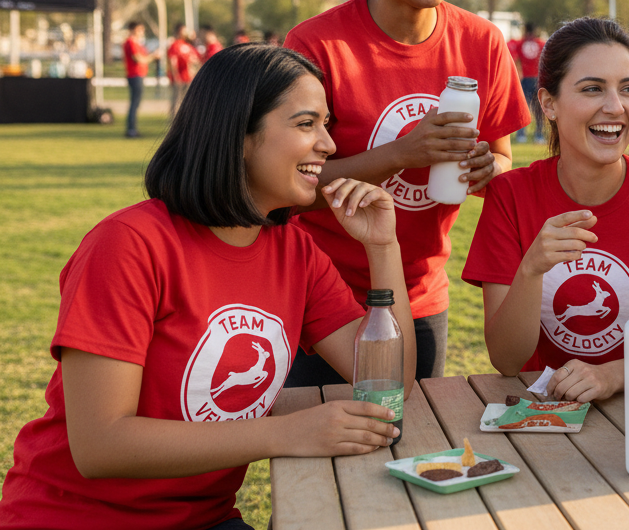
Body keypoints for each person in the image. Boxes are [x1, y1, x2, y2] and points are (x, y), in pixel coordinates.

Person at [0, 44, 416, 530]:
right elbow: (100, 445)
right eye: (306, 124)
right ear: (238, 134)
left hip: (205, 519)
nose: (328, 144)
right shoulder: (129, 245)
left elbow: (390, 385)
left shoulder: (294, 252)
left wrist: (383, 248)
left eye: (327, 124)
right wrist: (285, 433)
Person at [283, 0, 529, 387]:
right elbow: (286, 184)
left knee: (408, 442)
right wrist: (402, 155)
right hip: (318, 296)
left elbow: (506, 161)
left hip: (417, 296)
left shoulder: (481, 42)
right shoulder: (316, 45)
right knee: (317, 456)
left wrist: (490, 169)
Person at [462, 17, 629, 401]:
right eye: (592, 89)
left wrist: (613, 375)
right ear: (549, 104)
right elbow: (508, 360)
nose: (615, 107)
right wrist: (531, 268)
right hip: (546, 417)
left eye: (628, 89)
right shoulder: (511, 194)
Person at [509, 21, 545, 143]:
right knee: (539, 109)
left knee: (523, 108)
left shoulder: (520, 43)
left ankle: (521, 135)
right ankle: (539, 135)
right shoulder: (541, 43)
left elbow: (513, 57)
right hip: (538, 78)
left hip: (524, 79)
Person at [122, 21, 154, 139]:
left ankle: (132, 128)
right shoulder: (130, 42)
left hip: (138, 75)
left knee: (135, 104)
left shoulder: (138, 43)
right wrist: (153, 56)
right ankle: (131, 130)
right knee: (134, 104)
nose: (142, 32)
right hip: (135, 76)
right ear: (133, 29)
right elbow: (138, 59)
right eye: (140, 29)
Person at [166, 23, 200, 118]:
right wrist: (176, 77)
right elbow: (173, 62)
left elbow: (196, 59)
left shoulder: (187, 45)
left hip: (188, 78)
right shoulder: (174, 45)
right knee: (176, 101)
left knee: (188, 102)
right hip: (179, 79)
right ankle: (174, 123)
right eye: (184, 30)